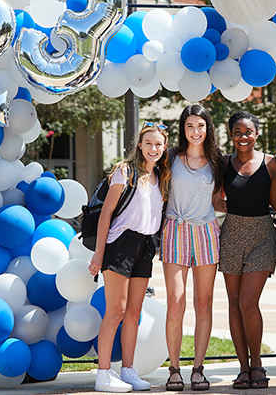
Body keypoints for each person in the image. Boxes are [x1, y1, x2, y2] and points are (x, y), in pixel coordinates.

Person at [89, 122, 171, 393]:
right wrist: (99, 254)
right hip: (120, 245)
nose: (153, 148)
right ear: (139, 145)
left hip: (146, 246)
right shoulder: (125, 172)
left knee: (134, 313)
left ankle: (128, 370)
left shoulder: (162, 177)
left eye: (158, 144)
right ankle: (103, 374)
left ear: (164, 146)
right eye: (148, 143)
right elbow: (106, 215)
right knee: (116, 312)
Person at [160, 104, 224, 391]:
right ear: (182, 130)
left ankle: (198, 369)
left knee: (204, 303)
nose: (195, 131)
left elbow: (220, 199)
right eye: (190, 126)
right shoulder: (171, 157)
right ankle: (174, 369)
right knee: (176, 301)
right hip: (176, 229)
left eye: (200, 125)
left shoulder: (217, 162)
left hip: (207, 232)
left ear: (208, 128)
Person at [219, 111, 276, 389]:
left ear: (257, 133)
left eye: (248, 132)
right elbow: (215, 198)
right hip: (231, 233)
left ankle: (257, 363)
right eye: (237, 132)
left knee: (248, 301)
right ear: (230, 135)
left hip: (261, 234)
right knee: (233, 302)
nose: (243, 137)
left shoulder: (271, 163)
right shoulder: (222, 163)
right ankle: (243, 368)